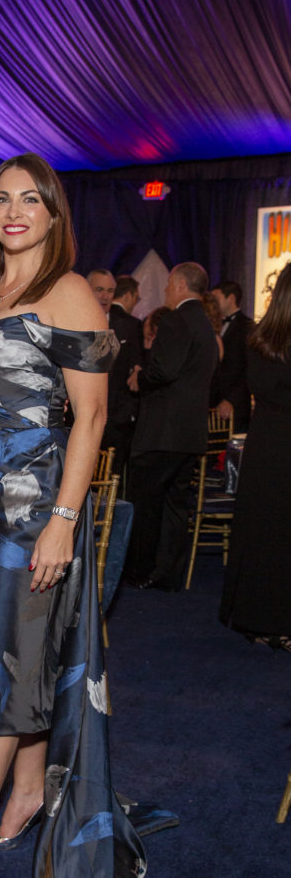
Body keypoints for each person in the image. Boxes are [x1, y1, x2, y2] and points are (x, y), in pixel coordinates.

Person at [0, 153, 145, 878]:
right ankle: (27, 789)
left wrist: (62, 521)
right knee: (12, 656)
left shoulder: (68, 294)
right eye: (2, 199)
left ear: (55, 216)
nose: (15, 211)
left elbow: (90, 419)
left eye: (32, 201)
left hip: (30, 514)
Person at [125, 263, 218, 591]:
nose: (165, 290)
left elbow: (163, 371)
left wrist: (139, 377)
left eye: (168, 285)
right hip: (190, 433)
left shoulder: (176, 319)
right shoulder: (206, 325)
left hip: (163, 432)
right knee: (175, 506)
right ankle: (167, 574)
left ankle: (140, 570)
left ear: (179, 284)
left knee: (146, 503)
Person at [219, 263, 291, 652]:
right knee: (275, 535)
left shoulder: (258, 339)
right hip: (277, 447)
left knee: (265, 533)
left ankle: (260, 620)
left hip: (266, 446)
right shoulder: (264, 341)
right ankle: (274, 622)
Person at [101, 275, 144, 486]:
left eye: (110, 291)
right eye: (100, 290)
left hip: (116, 416)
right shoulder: (74, 320)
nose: (105, 296)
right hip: (78, 417)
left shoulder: (128, 325)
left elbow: (135, 370)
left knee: (111, 479)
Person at [211, 279, 253, 431]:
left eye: (216, 299)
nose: (213, 304)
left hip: (235, 406)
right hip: (212, 402)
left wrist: (231, 400)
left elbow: (249, 369)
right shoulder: (211, 324)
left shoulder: (248, 327)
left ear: (231, 298)